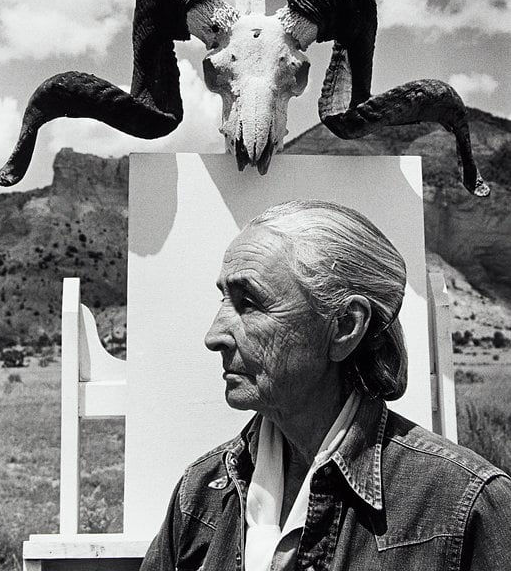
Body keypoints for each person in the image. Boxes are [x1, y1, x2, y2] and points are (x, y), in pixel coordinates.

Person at [141, 200, 511, 571]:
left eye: (249, 303)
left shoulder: (464, 505)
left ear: (345, 327)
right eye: (223, 299)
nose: (214, 335)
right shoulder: (201, 493)